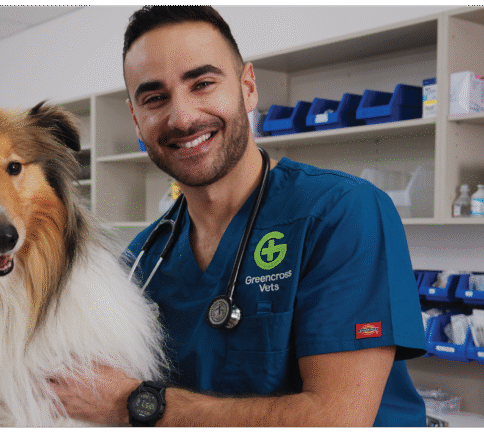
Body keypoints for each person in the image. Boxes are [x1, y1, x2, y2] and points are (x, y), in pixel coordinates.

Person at [50, 6, 428, 427]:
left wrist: (135, 404)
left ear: (248, 88)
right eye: (155, 97)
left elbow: (337, 419)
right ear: (137, 119)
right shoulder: (142, 261)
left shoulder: (341, 213)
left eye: (203, 83)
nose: (183, 117)